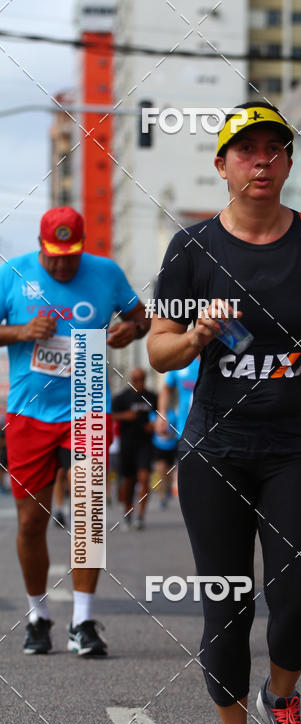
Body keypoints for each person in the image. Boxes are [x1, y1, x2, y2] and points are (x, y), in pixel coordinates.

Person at [148, 101, 301, 724]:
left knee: (297, 597)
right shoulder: (192, 249)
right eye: (246, 151)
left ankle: (283, 700)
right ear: (222, 164)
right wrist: (198, 335)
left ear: (289, 162)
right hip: (216, 448)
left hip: (298, 443)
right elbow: (160, 352)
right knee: (226, 603)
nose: (261, 161)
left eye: (274, 149)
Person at [0, 206, 148, 655]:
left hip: (86, 405)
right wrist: (22, 330)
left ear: (81, 247)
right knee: (31, 521)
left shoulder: (105, 272)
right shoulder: (14, 273)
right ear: (41, 246)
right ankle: (38, 615)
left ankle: (82, 621)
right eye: (54, 257)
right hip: (29, 411)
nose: (62, 265)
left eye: (70, 256)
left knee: (87, 516)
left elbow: (142, 318)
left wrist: (130, 330)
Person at [112, 367, 157, 529]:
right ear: (131, 379)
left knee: (144, 477)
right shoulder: (122, 398)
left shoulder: (152, 397)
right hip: (127, 443)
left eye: (141, 379)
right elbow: (107, 416)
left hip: (145, 443)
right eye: (136, 379)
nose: (139, 383)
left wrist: (155, 424)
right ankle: (127, 511)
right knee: (128, 480)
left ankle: (140, 516)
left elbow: (161, 416)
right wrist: (125, 416)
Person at [150, 406, 178, 507]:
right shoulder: (154, 414)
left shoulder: (173, 414)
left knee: (168, 473)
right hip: (158, 446)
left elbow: (176, 428)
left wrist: (170, 434)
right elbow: (152, 427)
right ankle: (162, 496)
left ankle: (168, 489)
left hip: (171, 446)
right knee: (160, 470)